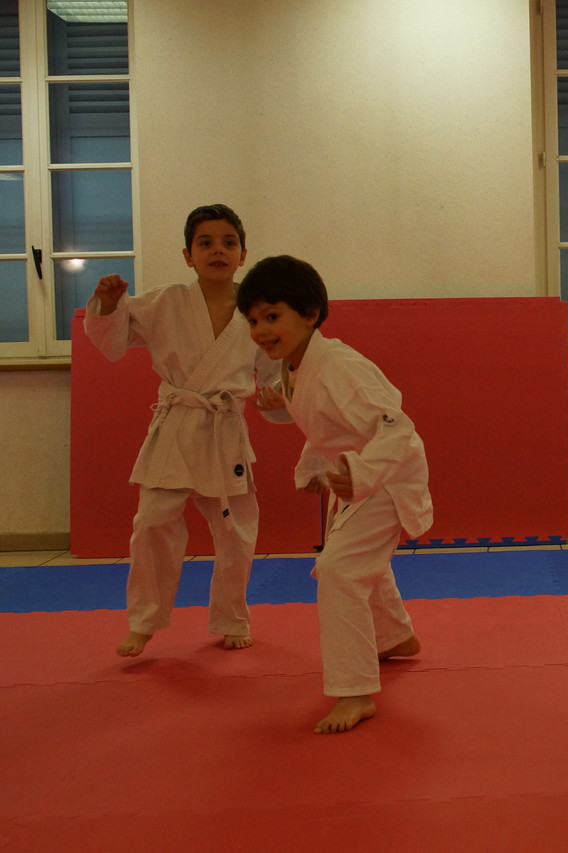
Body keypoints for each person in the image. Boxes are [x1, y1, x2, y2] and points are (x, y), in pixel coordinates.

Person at [236, 255, 430, 734]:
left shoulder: (339, 366)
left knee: (340, 570)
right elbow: (319, 416)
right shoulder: (296, 364)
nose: (261, 330)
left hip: (385, 474)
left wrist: (362, 472)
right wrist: (279, 407)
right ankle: (395, 636)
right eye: (254, 320)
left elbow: (398, 428)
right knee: (359, 559)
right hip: (353, 476)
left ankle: (355, 690)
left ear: (310, 313)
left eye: (272, 316)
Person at [86, 203, 271, 657]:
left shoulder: (258, 310)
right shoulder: (164, 302)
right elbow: (113, 342)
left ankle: (232, 617)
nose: (218, 251)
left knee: (236, 532)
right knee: (151, 523)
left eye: (228, 242)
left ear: (243, 254)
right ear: (188, 255)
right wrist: (108, 305)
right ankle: (144, 622)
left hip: (224, 430)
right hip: (176, 426)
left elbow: (274, 369)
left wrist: (278, 396)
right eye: (205, 243)